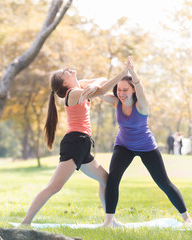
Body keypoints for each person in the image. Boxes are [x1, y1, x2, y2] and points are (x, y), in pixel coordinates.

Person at [21, 59, 129, 225]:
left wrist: (94, 86)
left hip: (83, 144)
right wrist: (122, 73)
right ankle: (26, 222)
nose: (68, 69)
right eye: (64, 71)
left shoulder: (80, 86)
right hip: (75, 143)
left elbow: (101, 80)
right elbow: (104, 88)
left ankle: (110, 221)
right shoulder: (73, 93)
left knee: (106, 181)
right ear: (65, 82)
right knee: (54, 187)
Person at [92, 57, 192, 227]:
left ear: (133, 91)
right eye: (119, 90)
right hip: (123, 146)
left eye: (125, 90)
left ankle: (187, 218)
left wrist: (132, 72)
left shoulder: (142, 105)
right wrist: (120, 74)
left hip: (146, 147)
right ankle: (109, 221)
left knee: (163, 182)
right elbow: (100, 93)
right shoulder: (116, 101)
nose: (121, 93)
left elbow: (141, 89)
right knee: (113, 179)